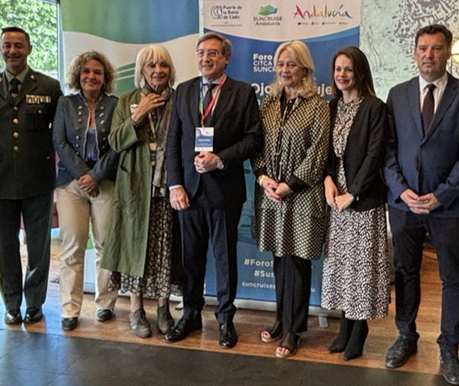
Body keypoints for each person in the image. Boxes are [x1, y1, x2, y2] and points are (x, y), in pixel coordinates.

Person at [384, 23, 459, 385]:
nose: (429, 54)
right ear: (414, 52)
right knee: (406, 271)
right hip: (404, 204)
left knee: (453, 277)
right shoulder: (397, 95)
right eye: (423, 48)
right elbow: (389, 149)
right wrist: (400, 190)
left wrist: (442, 194)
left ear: (448, 52)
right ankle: (406, 335)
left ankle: (450, 348)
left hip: (449, 205)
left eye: (437, 48)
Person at [164, 32, 262, 348]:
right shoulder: (184, 90)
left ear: (226, 58)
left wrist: (220, 158)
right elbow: (173, 143)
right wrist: (175, 184)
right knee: (191, 257)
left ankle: (224, 319)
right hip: (189, 191)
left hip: (225, 189)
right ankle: (191, 314)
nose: (206, 59)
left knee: (224, 259)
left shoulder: (243, 92)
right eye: (201, 53)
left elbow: (252, 139)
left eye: (213, 54)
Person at [0, 26, 62, 326]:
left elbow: (59, 134)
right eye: (7, 45)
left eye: (18, 45)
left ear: (29, 48)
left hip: (37, 178)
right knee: (5, 246)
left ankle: (34, 303)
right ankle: (11, 303)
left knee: (38, 246)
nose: (12, 51)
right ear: (0, 49)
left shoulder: (49, 88)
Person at [251, 40, 330, 359]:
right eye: (281, 64)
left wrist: (289, 185)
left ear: (305, 69)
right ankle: (281, 318)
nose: (285, 69)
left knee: (297, 262)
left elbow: (319, 152)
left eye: (292, 64)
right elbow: (255, 143)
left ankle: (294, 329)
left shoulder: (318, 105)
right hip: (271, 194)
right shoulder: (267, 103)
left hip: (302, 196)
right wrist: (264, 178)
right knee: (279, 261)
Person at [102, 45, 181, 338]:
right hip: (135, 186)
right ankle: (136, 310)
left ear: (170, 70)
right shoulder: (127, 101)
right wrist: (138, 117)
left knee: (163, 250)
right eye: (151, 65)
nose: (157, 70)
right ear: (141, 71)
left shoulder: (179, 100)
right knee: (136, 248)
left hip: (167, 187)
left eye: (162, 65)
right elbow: (114, 142)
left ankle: (163, 309)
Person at [321, 46, 392, 360]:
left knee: (361, 267)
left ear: (360, 72)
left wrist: (354, 192)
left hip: (363, 200)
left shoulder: (374, 108)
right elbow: (327, 154)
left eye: (348, 69)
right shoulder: (332, 107)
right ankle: (344, 327)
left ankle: (358, 328)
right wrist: (327, 182)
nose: (342, 75)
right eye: (338, 69)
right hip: (337, 199)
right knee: (342, 266)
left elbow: (375, 154)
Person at [53, 51, 120, 331]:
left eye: (97, 72)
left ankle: (106, 304)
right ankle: (70, 307)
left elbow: (118, 144)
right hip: (71, 185)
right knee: (72, 246)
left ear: (105, 79)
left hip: (105, 182)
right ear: (78, 76)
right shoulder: (65, 104)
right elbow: (59, 140)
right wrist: (83, 175)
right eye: (86, 72)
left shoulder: (116, 105)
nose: (91, 76)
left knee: (106, 245)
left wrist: (95, 175)